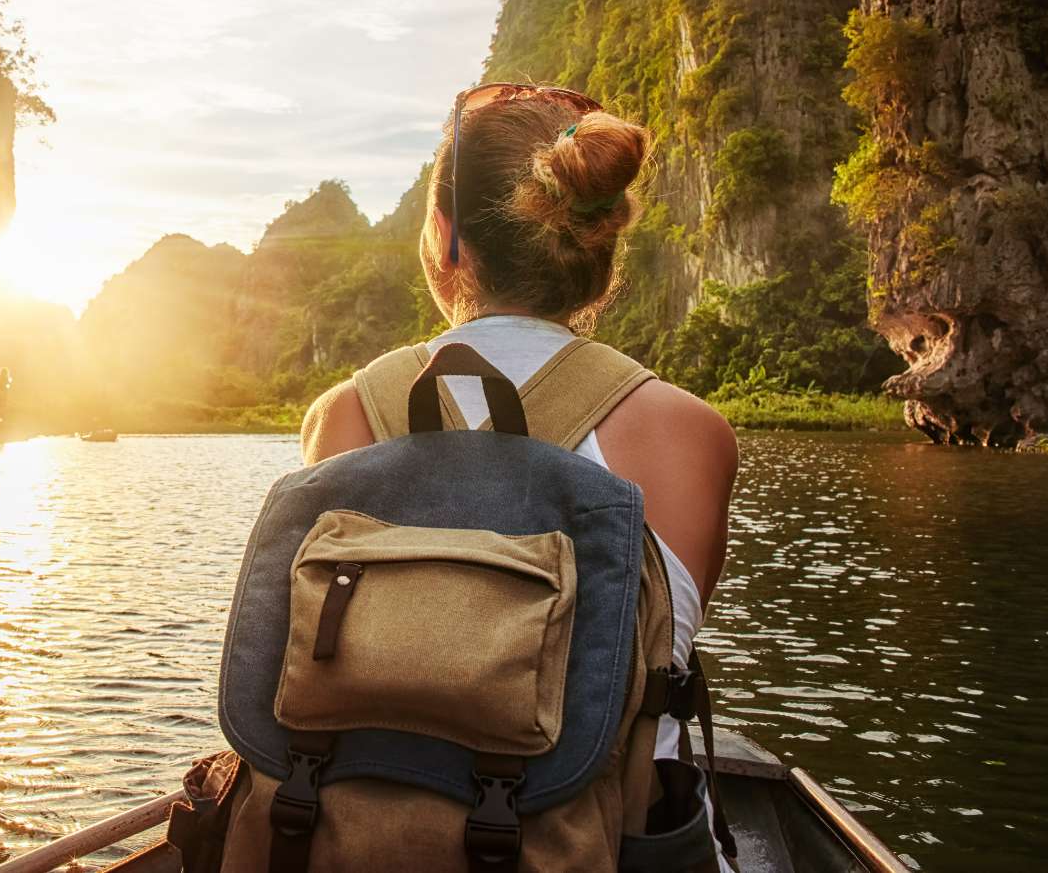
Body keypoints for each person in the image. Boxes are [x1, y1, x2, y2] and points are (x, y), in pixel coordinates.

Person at [296, 81, 737, 760]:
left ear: (446, 239)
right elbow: (666, 654)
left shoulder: (345, 416)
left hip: (371, 831)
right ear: (601, 244)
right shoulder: (692, 434)